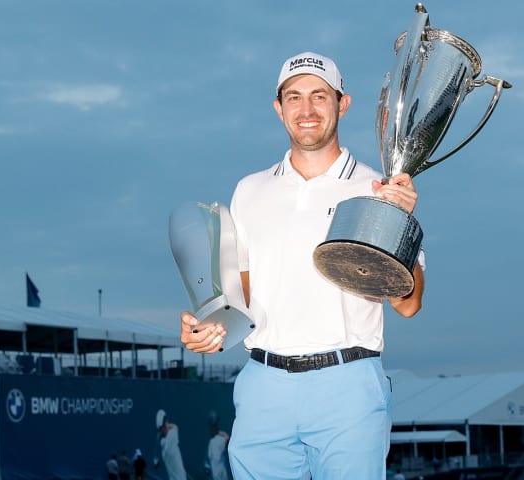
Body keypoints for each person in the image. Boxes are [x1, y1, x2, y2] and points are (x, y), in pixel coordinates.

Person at [180, 51, 425, 479]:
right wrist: (209, 328)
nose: (306, 110)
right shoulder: (249, 190)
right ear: (279, 109)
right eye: (294, 98)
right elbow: (241, 295)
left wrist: (398, 223)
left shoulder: (379, 188)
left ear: (342, 104)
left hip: (346, 383)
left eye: (319, 96)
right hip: (263, 386)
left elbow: (409, 303)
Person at [154, 409, 188, 480]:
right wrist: (167, 425)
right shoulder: (171, 437)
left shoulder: (163, 450)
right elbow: (175, 426)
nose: (167, 423)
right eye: (166, 422)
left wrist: (160, 430)